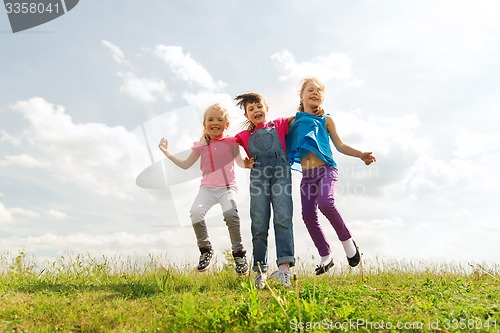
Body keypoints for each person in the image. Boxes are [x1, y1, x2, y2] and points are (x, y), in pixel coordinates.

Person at [286, 77, 376, 275]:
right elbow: (273, 128)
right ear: (301, 96)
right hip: (307, 176)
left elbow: (340, 145)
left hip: (326, 169)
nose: (315, 92)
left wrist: (361, 154)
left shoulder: (326, 119)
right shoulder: (292, 122)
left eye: (319, 90)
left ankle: (347, 242)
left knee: (326, 203)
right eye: (310, 90)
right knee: (308, 216)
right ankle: (326, 256)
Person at [158, 103, 249, 275]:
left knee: (231, 213)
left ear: (226, 124)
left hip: (228, 188)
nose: (215, 122)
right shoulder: (201, 145)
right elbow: (185, 165)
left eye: (220, 120)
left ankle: (239, 254)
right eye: (211, 119)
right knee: (195, 213)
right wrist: (166, 152)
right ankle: (205, 249)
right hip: (207, 188)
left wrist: (250, 164)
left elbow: (241, 163)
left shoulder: (231, 142)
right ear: (204, 124)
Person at [234, 93, 296, 288]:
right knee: (259, 224)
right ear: (247, 116)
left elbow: (299, 118)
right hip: (258, 180)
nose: (256, 111)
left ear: (266, 108)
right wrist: (242, 163)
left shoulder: (278, 125)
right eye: (251, 109)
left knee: (283, 218)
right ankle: (260, 271)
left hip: (281, 176)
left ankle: (284, 269)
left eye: (259, 106)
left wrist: (312, 110)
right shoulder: (244, 136)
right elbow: (224, 143)